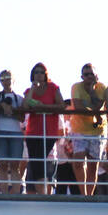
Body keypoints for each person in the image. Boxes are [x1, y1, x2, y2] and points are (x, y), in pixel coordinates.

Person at [22, 63, 66, 195]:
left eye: (41, 72)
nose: (39, 74)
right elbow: (25, 106)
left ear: (46, 74)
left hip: (48, 132)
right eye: (36, 72)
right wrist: (32, 89)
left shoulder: (53, 88)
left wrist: (45, 107)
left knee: (41, 162)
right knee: (35, 165)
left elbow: (61, 105)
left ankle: (43, 195)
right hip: (32, 132)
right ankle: (41, 194)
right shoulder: (29, 91)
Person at [66, 64, 108, 195]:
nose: (89, 76)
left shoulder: (102, 87)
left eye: (91, 74)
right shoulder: (76, 87)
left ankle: (89, 195)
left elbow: (98, 105)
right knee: (78, 161)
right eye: (86, 74)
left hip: (98, 131)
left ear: (96, 75)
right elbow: (79, 108)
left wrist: (91, 91)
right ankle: (84, 193)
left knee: (93, 166)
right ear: (82, 77)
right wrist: (95, 113)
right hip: (80, 128)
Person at [0, 70, 25, 193]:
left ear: (13, 79)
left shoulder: (19, 98)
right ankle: (3, 193)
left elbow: (22, 117)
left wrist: (11, 111)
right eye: (2, 77)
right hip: (0, 131)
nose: (5, 80)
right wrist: (3, 106)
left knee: (15, 166)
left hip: (15, 132)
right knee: (2, 165)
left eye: (8, 77)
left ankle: (15, 193)